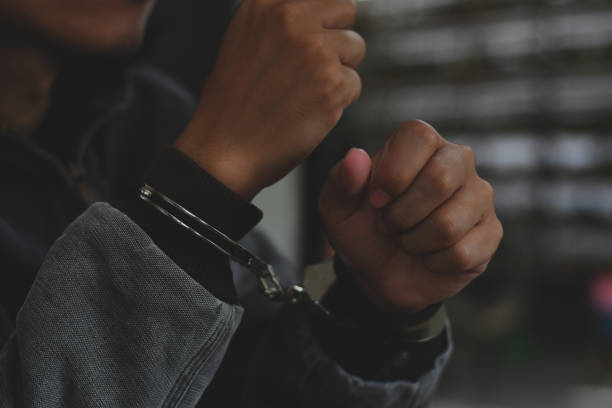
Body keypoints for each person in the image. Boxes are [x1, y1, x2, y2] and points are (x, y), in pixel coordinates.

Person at [0, 0, 503, 406]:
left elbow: (251, 381)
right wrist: (201, 187)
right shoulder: (172, 134)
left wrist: (371, 313)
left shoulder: (144, 121)